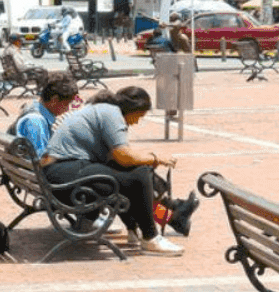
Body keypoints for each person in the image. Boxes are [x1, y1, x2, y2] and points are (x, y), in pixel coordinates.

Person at [39, 86, 187, 255]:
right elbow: (123, 156)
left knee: (130, 176)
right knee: (140, 175)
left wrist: (145, 159)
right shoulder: (112, 114)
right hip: (67, 177)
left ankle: (138, 226)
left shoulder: (100, 109)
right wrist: (154, 158)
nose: (137, 121)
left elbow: (119, 158)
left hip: (61, 173)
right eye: (139, 116)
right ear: (132, 109)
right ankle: (154, 234)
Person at [10, 72, 78, 156]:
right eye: (67, 104)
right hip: (30, 168)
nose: (68, 108)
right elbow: (40, 158)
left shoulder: (34, 112)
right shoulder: (36, 121)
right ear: (54, 100)